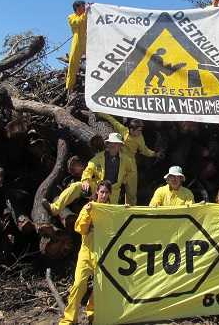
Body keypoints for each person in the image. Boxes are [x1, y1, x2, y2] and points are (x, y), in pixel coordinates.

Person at [59, 180, 111, 325]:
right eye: (101, 192)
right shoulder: (88, 207)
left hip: (103, 254)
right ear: (97, 193)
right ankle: (69, 319)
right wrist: (88, 212)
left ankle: (93, 314)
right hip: (86, 252)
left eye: (106, 192)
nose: (104, 195)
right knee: (78, 285)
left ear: (109, 194)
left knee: (100, 286)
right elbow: (80, 229)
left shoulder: (112, 209)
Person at [98, 113, 161, 205]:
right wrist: (101, 113)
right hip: (119, 162)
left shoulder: (140, 138)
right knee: (114, 185)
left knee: (131, 191)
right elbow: (113, 121)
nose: (140, 132)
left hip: (131, 163)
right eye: (138, 130)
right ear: (131, 129)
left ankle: (131, 209)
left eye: (141, 130)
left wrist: (154, 154)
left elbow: (144, 150)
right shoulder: (123, 130)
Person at [66, 0, 87, 91]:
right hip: (77, 40)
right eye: (83, 6)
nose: (85, 8)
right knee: (73, 63)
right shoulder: (71, 17)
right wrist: (87, 13)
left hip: (89, 41)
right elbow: (78, 22)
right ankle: (69, 87)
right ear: (77, 8)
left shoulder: (87, 14)